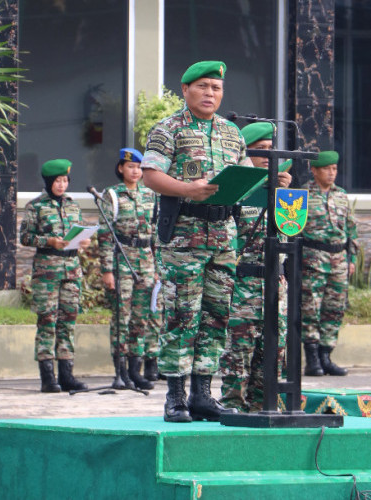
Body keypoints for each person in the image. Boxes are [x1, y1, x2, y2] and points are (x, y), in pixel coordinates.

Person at [141, 60, 253, 422]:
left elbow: (247, 179)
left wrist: (269, 185)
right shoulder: (168, 129)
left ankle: (203, 394)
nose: (210, 94)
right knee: (181, 316)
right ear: (186, 89)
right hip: (185, 238)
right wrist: (190, 189)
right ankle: (175, 397)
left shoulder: (233, 133)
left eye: (216, 88)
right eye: (203, 86)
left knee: (216, 315)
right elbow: (151, 176)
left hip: (224, 237)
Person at [218, 121, 292, 412]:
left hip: (276, 285)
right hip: (243, 286)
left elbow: (291, 232)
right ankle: (233, 409)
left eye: (270, 150)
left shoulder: (282, 190)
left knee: (273, 354)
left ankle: (265, 409)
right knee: (238, 355)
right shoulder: (236, 191)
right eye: (260, 150)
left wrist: (282, 195)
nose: (267, 156)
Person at [20, 159, 91, 393]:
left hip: (71, 269)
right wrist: (48, 241)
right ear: (49, 182)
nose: (62, 185)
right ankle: (48, 377)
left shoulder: (73, 205)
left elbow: (77, 231)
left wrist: (83, 240)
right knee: (47, 321)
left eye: (65, 181)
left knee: (68, 321)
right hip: (47, 271)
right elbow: (25, 238)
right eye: (57, 181)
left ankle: (67, 374)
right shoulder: (36, 207)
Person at [98, 148, 158, 391]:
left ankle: (136, 369)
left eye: (139, 167)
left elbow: (156, 233)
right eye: (130, 166)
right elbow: (104, 235)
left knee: (141, 318)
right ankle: (121, 371)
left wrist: (157, 267)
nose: (135, 171)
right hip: (122, 259)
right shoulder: (112, 195)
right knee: (121, 317)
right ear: (121, 168)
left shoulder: (150, 195)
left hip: (146, 260)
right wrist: (107, 270)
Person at [301, 151, 357, 377]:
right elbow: (293, 228)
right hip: (314, 258)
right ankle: (312, 359)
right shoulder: (302, 194)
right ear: (314, 170)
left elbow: (351, 229)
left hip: (339, 260)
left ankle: (326, 356)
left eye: (334, 169)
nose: (332, 173)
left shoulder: (341, 195)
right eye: (327, 169)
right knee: (311, 309)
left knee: (334, 309)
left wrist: (351, 258)